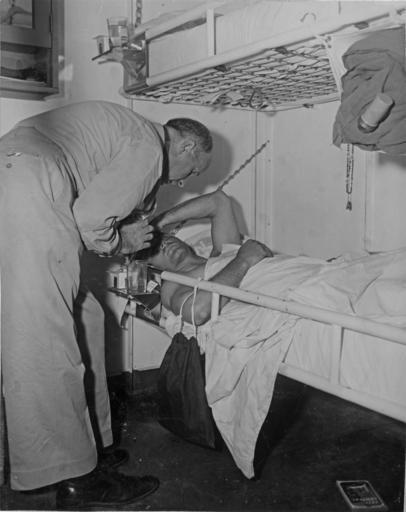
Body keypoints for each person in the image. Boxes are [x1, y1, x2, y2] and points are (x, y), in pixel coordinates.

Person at [0, 100, 212, 508]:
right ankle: (75, 478)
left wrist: (122, 229)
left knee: (87, 315)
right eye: (192, 172)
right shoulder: (149, 145)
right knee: (45, 340)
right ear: (187, 147)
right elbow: (91, 220)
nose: (184, 181)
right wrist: (121, 241)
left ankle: (91, 446)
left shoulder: (127, 130)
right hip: (27, 180)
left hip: (21, 173)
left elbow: (89, 205)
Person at [148, 190, 273, 325]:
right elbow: (197, 311)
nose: (165, 245)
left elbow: (219, 201)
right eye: (155, 249)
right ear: (153, 266)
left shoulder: (222, 253)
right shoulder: (173, 283)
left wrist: (161, 221)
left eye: (165, 238)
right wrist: (243, 261)